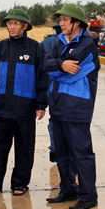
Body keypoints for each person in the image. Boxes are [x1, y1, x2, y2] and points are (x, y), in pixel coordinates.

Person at [0, 9, 48, 196]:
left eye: (16, 23)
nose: (12, 27)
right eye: (9, 23)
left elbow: (42, 77)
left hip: (25, 108)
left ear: (24, 26)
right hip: (2, 108)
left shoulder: (35, 48)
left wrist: (41, 104)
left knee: (24, 148)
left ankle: (19, 183)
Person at [44, 3, 101, 209]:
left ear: (77, 22)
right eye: (60, 20)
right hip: (58, 105)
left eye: (65, 20)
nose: (61, 24)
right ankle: (68, 189)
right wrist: (60, 65)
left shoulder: (88, 44)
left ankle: (88, 196)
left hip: (77, 106)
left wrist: (57, 67)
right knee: (62, 152)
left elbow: (72, 74)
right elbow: (45, 63)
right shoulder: (59, 42)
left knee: (81, 153)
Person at [40, 21, 62, 163]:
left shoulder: (46, 42)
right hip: (67, 88)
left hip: (49, 87)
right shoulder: (72, 43)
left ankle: (55, 149)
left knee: (54, 119)